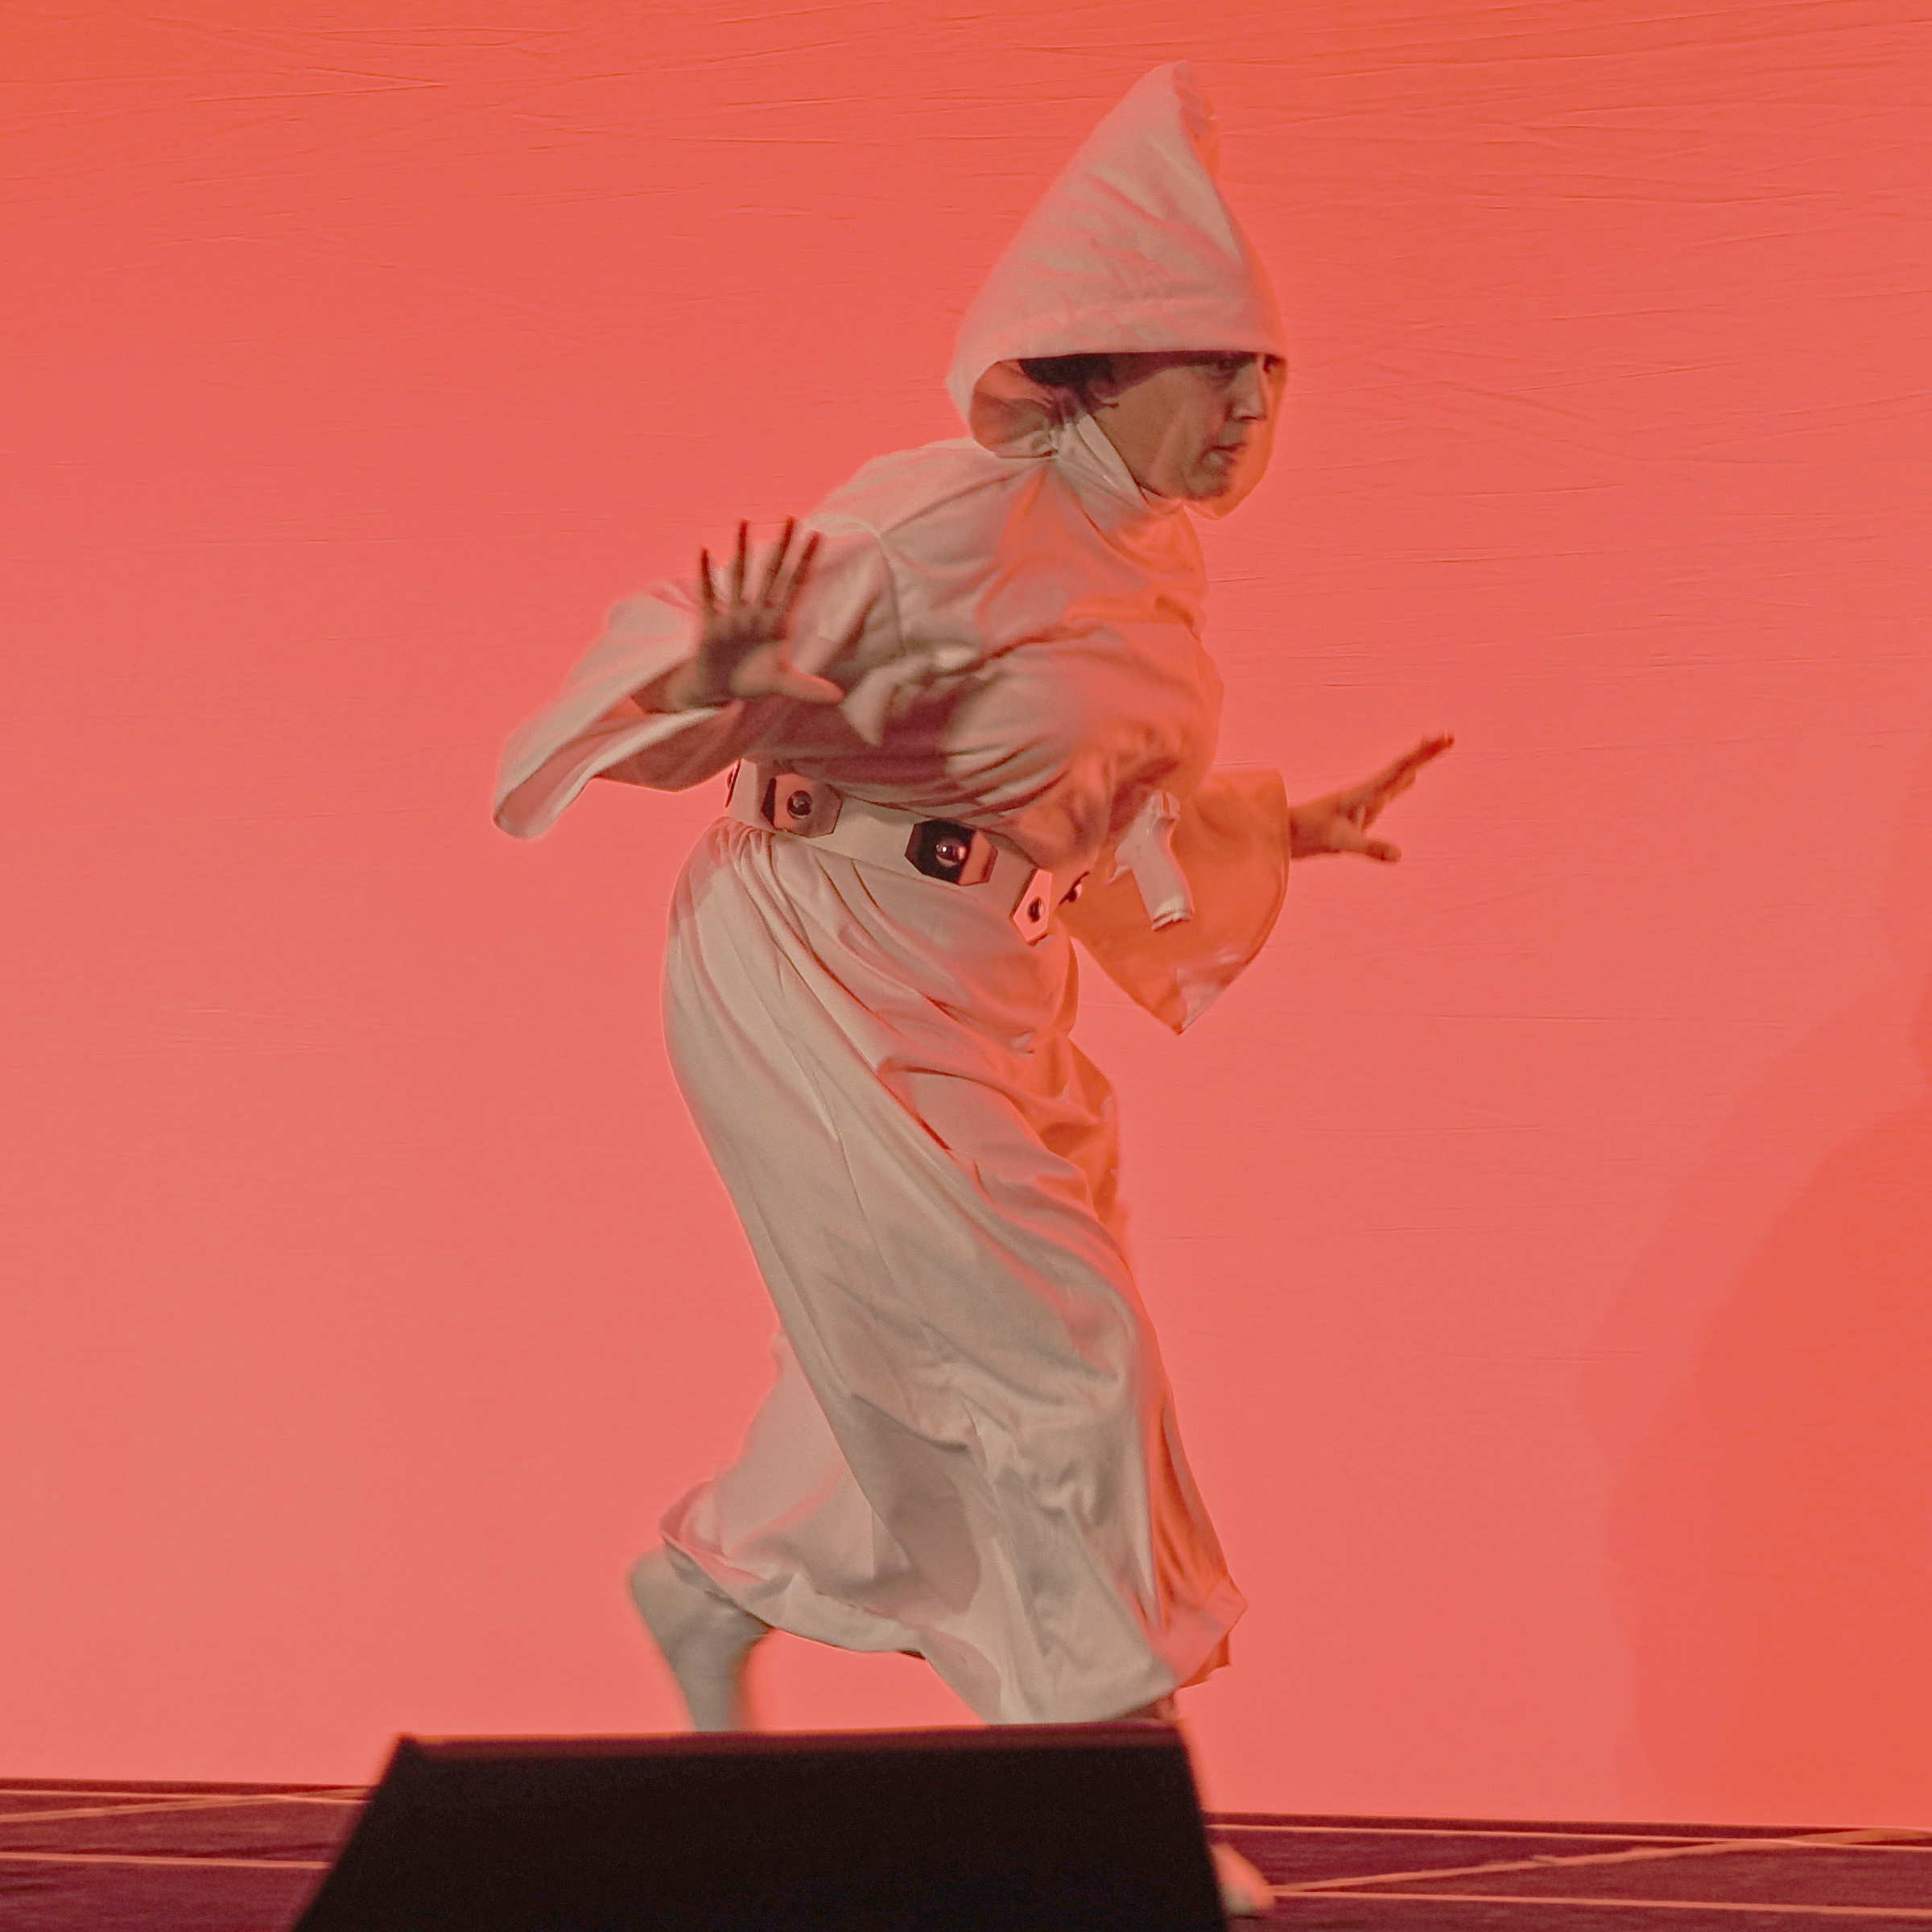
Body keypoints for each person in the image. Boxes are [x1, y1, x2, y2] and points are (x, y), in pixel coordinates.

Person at [494, 64, 1451, 1916]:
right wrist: (723, 676)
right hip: (821, 966)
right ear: (1091, 366)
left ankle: (706, 1593)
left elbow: (1065, 789)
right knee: (1059, 1362)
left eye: (1270, 376)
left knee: (928, 1351)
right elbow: (693, 678)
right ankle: (1108, 1823)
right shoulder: (953, 513)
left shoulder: (1150, 561)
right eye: (1213, 369)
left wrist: (1276, 828)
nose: (1251, 411)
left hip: (987, 991)